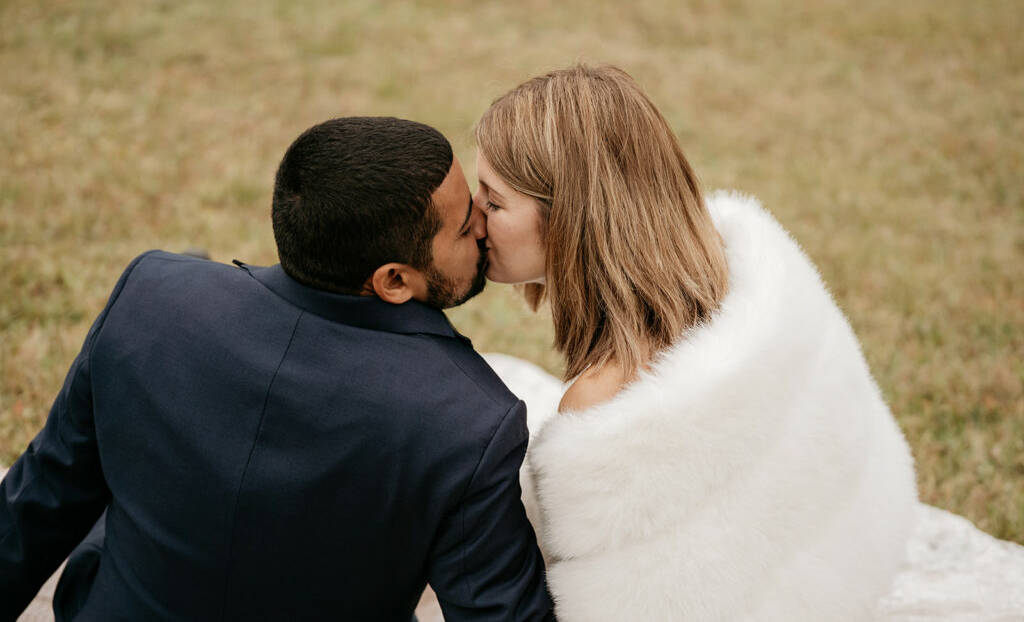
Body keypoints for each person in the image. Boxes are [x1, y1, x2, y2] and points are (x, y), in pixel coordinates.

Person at [0, 117, 555, 621]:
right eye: (463, 227)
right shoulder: (468, 420)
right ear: (392, 280)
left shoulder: (151, 298)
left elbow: (37, 504)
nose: (483, 225)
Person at [472, 64, 930, 620]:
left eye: (494, 203)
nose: (474, 219)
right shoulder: (737, 276)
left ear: (570, 216)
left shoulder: (606, 407)